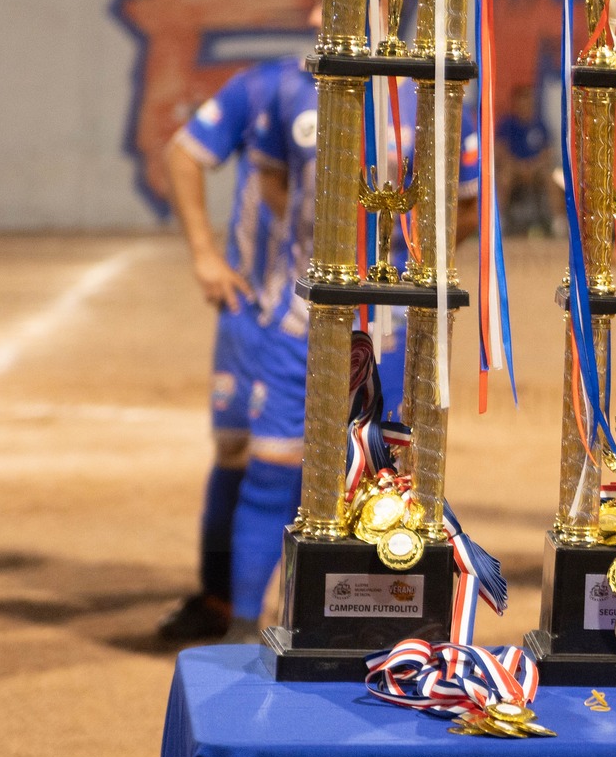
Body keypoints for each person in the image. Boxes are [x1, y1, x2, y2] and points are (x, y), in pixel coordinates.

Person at [239, 73, 480, 640]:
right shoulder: (290, 89)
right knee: (271, 471)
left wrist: (409, 258)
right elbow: (271, 177)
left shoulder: (431, 93)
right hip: (301, 315)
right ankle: (244, 623)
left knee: (384, 481)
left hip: (393, 325)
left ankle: (379, 623)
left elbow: (464, 206)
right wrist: (318, 241)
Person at [154, 54, 297, 642]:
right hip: (253, 309)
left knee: (350, 460)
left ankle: (324, 613)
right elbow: (183, 152)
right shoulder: (265, 85)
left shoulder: (397, 100)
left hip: (340, 314)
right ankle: (221, 600)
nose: (321, 9)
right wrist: (204, 254)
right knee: (238, 451)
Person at [495, 83, 557, 236]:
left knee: (552, 178)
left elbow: (548, 153)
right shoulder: (506, 124)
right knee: (504, 178)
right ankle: (498, 221)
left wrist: (532, 167)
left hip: (535, 170)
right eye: (521, 100)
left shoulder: (539, 124)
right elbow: (500, 151)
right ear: (515, 103)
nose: (525, 104)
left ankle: (557, 222)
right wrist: (519, 167)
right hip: (514, 169)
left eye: (528, 100)